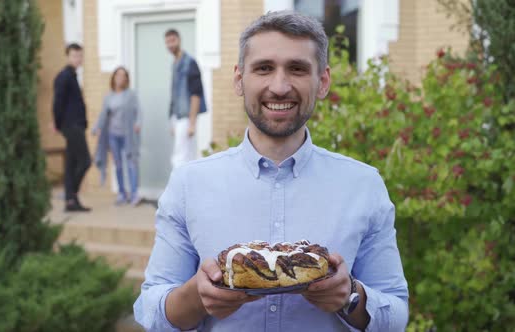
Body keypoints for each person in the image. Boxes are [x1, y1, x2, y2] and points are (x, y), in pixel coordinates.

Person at [134, 11, 409, 331]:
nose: (279, 87)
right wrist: (196, 296)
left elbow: (396, 314)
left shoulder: (364, 185)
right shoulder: (189, 184)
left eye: (297, 69)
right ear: (239, 79)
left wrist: (349, 296)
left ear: (322, 82)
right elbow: (151, 311)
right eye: (264, 68)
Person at [93, 67, 142, 206]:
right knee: (118, 165)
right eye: (118, 75)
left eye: (124, 75)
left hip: (128, 135)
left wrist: (138, 123)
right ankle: (121, 193)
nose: (121, 78)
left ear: (127, 79)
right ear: (113, 78)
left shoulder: (131, 95)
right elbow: (103, 115)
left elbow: (139, 111)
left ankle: (134, 194)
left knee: (131, 163)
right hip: (113, 135)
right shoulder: (108, 97)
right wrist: (97, 128)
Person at [52, 43, 91, 212]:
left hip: (76, 125)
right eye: (74, 55)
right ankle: (70, 195)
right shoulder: (64, 76)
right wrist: (58, 123)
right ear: (68, 56)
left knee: (72, 163)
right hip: (71, 125)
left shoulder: (73, 76)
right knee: (85, 160)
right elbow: (57, 102)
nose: (78, 59)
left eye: (80, 56)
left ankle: (71, 202)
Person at [165, 29, 207, 169]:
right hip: (178, 117)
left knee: (180, 158)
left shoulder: (190, 63)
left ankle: (177, 190)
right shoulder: (175, 64)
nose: (170, 45)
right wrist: (172, 119)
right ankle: (187, 189)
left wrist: (192, 123)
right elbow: (174, 94)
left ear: (179, 40)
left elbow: (196, 93)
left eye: (172, 40)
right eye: (167, 42)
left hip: (186, 118)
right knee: (186, 157)